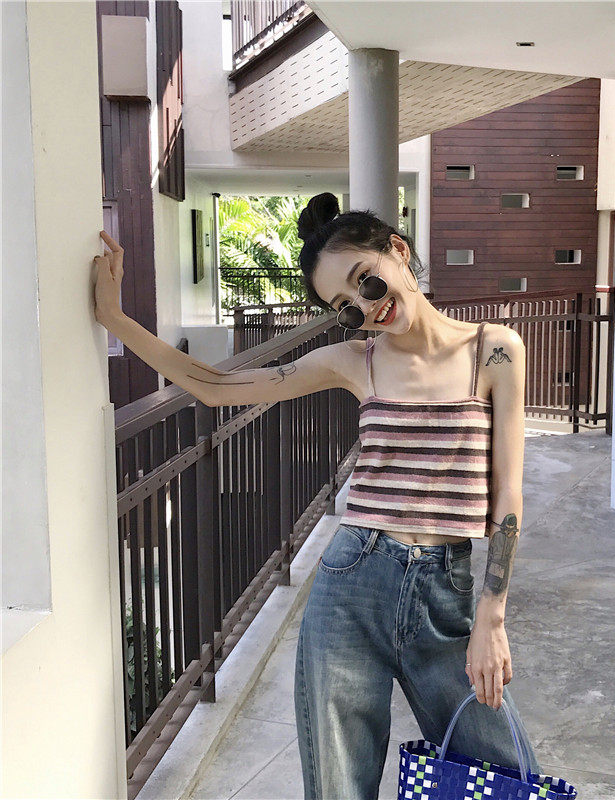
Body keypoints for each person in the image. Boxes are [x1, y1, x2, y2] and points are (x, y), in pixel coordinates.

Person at [92, 193, 542, 799]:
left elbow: (509, 491)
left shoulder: (495, 349)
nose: (367, 307)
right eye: (345, 307)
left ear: (397, 251)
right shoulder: (354, 361)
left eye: (366, 281)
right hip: (353, 585)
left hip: (446, 588)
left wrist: (493, 613)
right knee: (338, 789)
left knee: (508, 776)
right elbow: (218, 386)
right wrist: (114, 317)